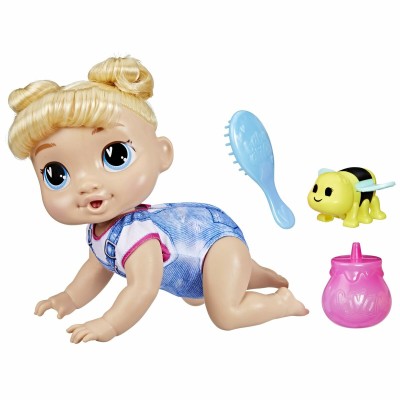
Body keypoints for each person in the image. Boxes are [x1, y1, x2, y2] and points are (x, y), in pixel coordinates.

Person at [8, 56, 308, 343]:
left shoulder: (139, 236)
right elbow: (97, 267)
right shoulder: (100, 232)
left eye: (115, 155)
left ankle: (282, 302)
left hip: (215, 246)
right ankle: (256, 277)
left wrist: (109, 323)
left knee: (226, 314)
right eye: (57, 174)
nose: (87, 184)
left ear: (162, 153)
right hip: (198, 268)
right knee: (204, 293)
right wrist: (70, 298)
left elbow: (143, 287)